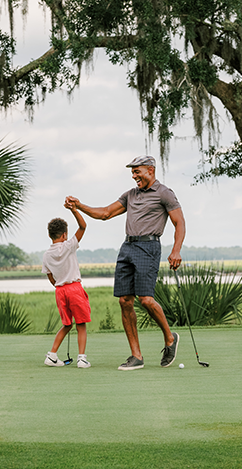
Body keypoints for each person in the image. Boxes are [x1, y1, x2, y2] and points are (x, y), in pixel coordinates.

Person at [65, 155, 184, 371]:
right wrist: (79, 206)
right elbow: (105, 214)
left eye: (137, 171)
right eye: (132, 171)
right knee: (124, 301)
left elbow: (179, 222)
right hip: (127, 248)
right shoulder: (130, 195)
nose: (133, 175)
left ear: (150, 169)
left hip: (149, 247)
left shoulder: (164, 193)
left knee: (146, 300)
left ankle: (170, 338)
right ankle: (136, 356)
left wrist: (176, 250)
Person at [41, 206, 91, 368]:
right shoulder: (68, 246)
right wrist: (74, 210)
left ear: (49, 235)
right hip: (74, 288)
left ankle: (52, 354)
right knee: (81, 323)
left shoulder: (46, 255)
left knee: (67, 324)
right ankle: (82, 358)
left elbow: (50, 276)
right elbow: (83, 226)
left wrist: (59, 285)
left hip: (60, 290)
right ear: (64, 235)